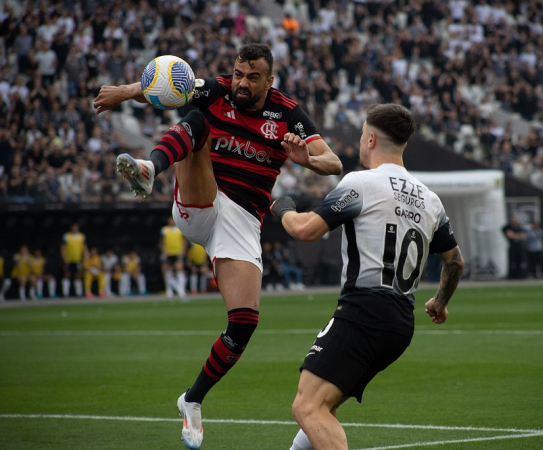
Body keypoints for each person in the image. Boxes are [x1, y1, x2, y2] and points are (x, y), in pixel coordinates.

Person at [93, 43, 342, 449]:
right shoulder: (216, 90)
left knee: (244, 323)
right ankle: (149, 168)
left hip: (243, 219)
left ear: (269, 80)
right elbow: (167, 83)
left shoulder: (287, 113)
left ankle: (191, 400)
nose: (242, 83)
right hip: (200, 202)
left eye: (253, 77)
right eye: (239, 74)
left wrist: (305, 158)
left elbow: (333, 161)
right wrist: (123, 91)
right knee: (198, 120)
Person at [269, 104, 464, 450]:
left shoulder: (360, 183)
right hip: (401, 323)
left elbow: (306, 231)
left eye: (362, 135)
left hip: (364, 312)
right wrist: (440, 301)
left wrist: (280, 206)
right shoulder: (430, 200)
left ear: (370, 138)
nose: (361, 142)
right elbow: (456, 262)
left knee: (308, 406)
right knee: (321, 407)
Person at [159, 217, 187, 298]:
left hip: (177, 252)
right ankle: (169, 290)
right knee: (168, 271)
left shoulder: (180, 229)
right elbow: (161, 242)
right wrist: (163, 250)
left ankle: (181, 289)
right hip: (168, 253)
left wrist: (183, 251)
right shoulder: (164, 230)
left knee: (179, 269)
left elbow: (184, 241)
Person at [61, 222, 87, 298]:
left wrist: (85, 255)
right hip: (68, 259)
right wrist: (64, 258)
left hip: (78, 259)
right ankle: (65, 293)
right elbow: (63, 248)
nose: (75, 229)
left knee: (78, 275)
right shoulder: (66, 236)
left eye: (76, 227)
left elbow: (84, 247)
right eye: (73, 227)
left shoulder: (81, 236)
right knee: (67, 275)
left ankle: (78, 293)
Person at [502, 214, 526, 279]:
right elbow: (510, 235)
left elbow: (523, 236)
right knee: (512, 262)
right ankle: (512, 275)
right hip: (512, 247)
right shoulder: (508, 227)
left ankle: (520, 275)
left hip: (520, 247)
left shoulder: (520, 227)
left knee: (520, 261)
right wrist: (518, 236)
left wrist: (515, 235)